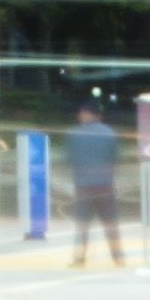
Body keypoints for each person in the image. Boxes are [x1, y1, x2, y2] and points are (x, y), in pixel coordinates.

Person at [60, 98, 135, 262]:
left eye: (81, 113)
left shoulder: (73, 134)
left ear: (85, 114)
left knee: (82, 224)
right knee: (110, 223)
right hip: (105, 186)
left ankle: (79, 257)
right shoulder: (110, 133)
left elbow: (69, 161)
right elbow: (115, 159)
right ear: (99, 116)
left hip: (83, 187)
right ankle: (118, 256)